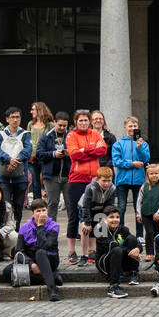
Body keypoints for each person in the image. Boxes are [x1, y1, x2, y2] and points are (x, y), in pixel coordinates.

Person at [64, 110, 106, 263]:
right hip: (76, 179)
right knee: (74, 215)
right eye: (80, 120)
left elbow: (103, 150)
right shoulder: (71, 135)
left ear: (89, 121)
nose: (83, 123)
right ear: (76, 122)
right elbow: (75, 155)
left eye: (85, 120)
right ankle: (71, 251)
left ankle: (92, 250)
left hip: (94, 179)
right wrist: (91, 152)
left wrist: (85, 150)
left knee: (95, 212)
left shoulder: (95, 134)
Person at [111, 116, 151, 239]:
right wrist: (131, 164)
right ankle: (121, 234)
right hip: (122, 180)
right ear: (125, 127)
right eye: (130, 126)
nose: (133, 128)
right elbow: (116, 161)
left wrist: (139, 148)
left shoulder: (143, 143)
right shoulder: (118, 144)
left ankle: (139, 235)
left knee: (138, 208)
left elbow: (146, 159)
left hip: (138, 180)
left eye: (135, 126)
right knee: (121, 208)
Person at [0, 107, 31, 215]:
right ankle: (4, 230)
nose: (15, 120)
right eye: (12, 117)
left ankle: (16, 230)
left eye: (17, 117)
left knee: (18, 207)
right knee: (4, 206)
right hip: (3, 177)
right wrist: (9, 159)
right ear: (7, 119)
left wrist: (15, 161)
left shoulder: (26, 134)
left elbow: (28, 150)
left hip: (21, 177)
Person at [19, 199, 63, 301]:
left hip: (49, 257)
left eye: (44, 210)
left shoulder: (53, 226)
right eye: (38, 211)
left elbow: (44, 245)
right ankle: (53, 277)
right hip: (32, 259)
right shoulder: (24, 227)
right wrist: (31, 264)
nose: (41, 213)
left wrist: (40, 226)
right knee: (7, 272)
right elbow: (19, 251)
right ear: (32, 213)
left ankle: (52, 289)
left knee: (40, 252)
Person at [96, 206, 142, 298]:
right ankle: (113, 286)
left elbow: (136, 242)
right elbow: (113, 246)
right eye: (111, 217)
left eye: (117, 217)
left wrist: (138, 249)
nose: (115, 220)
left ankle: (133, 273)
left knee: (131, 239)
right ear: (105, 219)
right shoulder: (101, 230)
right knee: (117, 250)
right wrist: (132, 254)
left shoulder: (123, 229)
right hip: (105, 263)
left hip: (120, 259)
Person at [78, 169, 119, 257]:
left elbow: (109, 205)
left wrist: (103, 218)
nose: (106, 184)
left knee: (102, 227)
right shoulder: (90, 188)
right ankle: (84, 255)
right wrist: (87, 222)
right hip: (86, 209)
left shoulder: (113, 188)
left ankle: (94, 251)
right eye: (104, 181)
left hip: (100, 209)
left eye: (109, 181)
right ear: (97, 179)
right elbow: (86, 206)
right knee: (86, 229)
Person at [26, 102, 55, 206]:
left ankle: (49, 202)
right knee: (35, 181)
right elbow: (27, 140)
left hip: (44, 157)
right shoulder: (30, 124)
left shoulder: (50, 125)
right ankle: (37, 204)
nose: (31, 111)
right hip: (32, 158)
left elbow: (52, 141)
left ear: (40, 110)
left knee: (47, 180)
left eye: (33, 109)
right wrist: (29, 154)